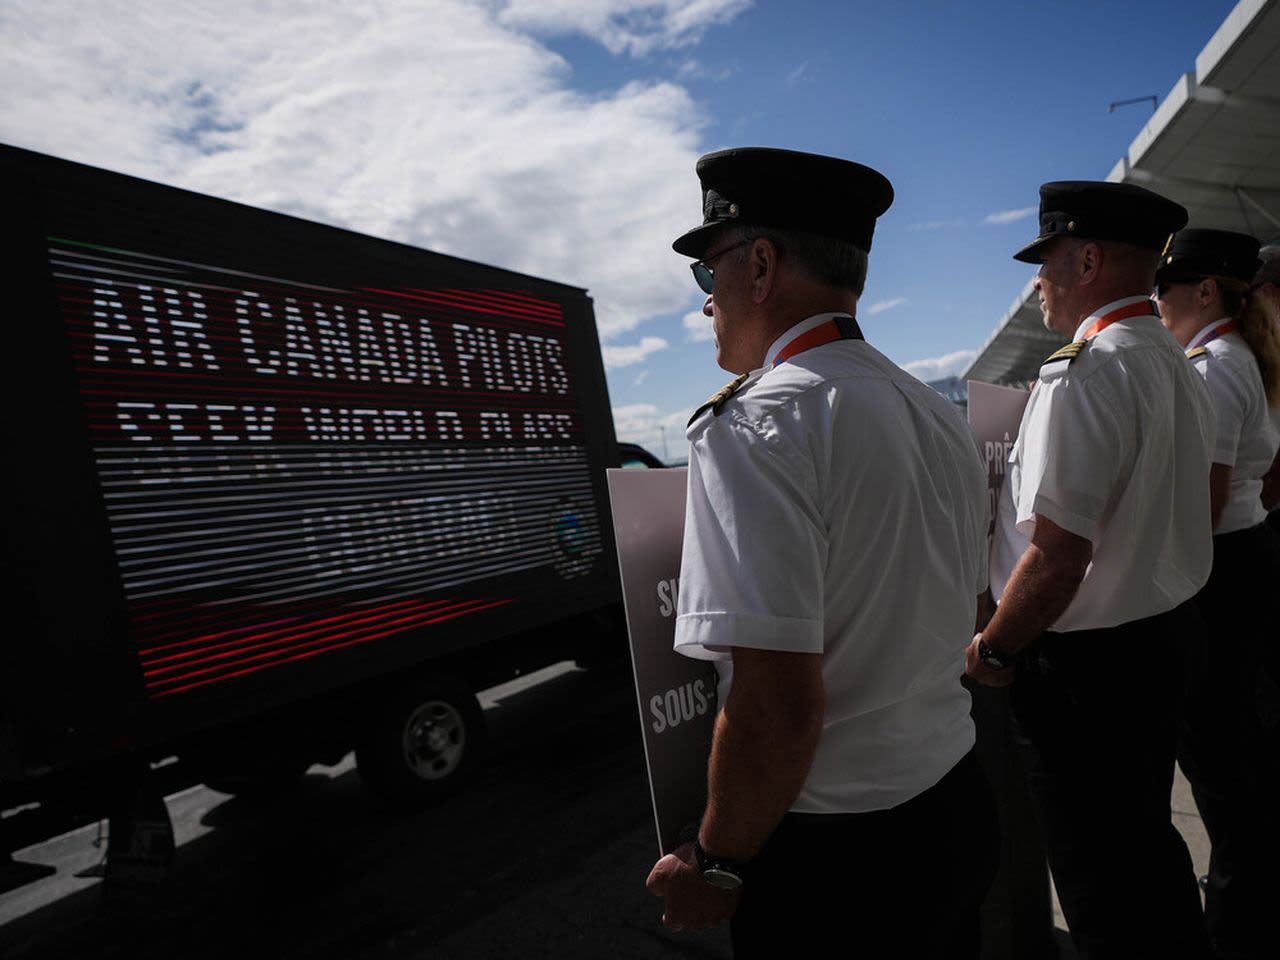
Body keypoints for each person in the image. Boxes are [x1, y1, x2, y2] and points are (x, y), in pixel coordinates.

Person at [645, 147, 997, 959]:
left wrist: (717, 860)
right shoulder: (934, 410)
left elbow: (775, 705)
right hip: (953, 803)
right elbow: (967, 607)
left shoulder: (755, 426)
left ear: (760, 265)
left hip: (838, 864)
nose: (706, 305)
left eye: (710, 273)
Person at [966, 181, 1216, 959]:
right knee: (1147, 855)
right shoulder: (1175, 361)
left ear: (1087, 258)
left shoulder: (1083, 373)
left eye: (1045, 260)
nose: (1038, 279)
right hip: (1160, 641)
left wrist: (997, 649)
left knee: (1101, 886)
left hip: (1086, 676)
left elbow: (1057, 556)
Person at [1154, 227, 1280, 960]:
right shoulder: (1249, 358)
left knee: (1219, 764)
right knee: (1242, 752)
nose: (1157, 300)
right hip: (1250, 553)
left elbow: (1201, 503)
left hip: (1219, 572)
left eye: (1166, 288)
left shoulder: (1209, 369)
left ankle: (1237, 921)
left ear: (1205, 292)